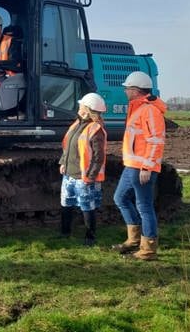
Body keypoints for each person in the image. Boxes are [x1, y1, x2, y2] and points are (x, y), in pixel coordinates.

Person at [112, 71, 167, 261]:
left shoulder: (150, 111)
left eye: (127, 88)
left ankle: (148, 249)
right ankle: (134, 240)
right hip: (132, 165)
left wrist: (147, 167)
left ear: (136, 90)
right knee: (120, 198)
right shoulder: (138, 108)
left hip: (141, 167)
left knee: (144, 206)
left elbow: (156, 141)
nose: (125, 91)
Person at [58, 92, 108, 246]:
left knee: (87, 206)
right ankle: (65, 232)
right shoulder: (76, 124)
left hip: (84, 176)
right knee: (66, 203)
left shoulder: (95, 129)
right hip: (69, 174)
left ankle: (90, 237)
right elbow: (68, 146)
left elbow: (98, 157)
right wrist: (63, 163)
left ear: (87, 109)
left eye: (81, 105)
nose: (79, 107)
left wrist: (90, 176)